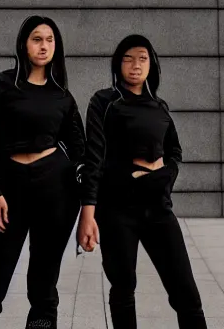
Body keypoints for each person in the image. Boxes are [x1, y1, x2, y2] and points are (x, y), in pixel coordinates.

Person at [76, 34, 207, 329]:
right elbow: (94, 157)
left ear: (152, 65)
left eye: (142, 58)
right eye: (128, 58)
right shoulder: (104, 101)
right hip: (117, 210)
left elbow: (174, 151)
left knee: (186, 292)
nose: (135, 65)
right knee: (123, 289)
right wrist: (88, 213)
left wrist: (163, 177)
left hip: (158, 207)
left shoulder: (159, 106)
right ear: (117, 64)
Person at [0, 15, 85, 329]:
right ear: (24, 43)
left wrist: (87, 203)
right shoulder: (0, 85)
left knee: (44, 279)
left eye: (49, 40)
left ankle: (43, 321)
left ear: (56, 47)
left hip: (55, 188)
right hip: (9, 186)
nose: (43, 45)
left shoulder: (63, 97)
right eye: (37, 39)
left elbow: (80, 151)